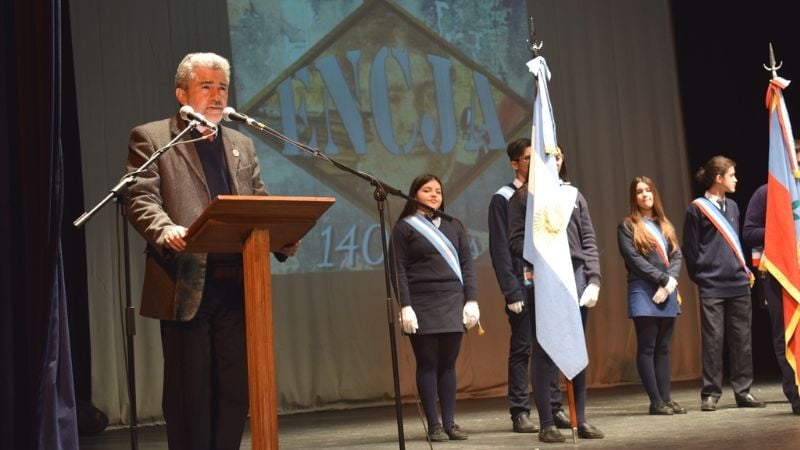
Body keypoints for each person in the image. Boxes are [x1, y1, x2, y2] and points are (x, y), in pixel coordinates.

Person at [126, 52, 299, 450]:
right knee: (191, 395)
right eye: (207, 86)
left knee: (235, 390)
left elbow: (259, 202)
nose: (217, 95)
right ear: (181, 93)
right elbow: (140, 198)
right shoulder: (152, 138)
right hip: (186, 281)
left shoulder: (241, 143)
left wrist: (281, 237)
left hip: (239, 286)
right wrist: (164, 228)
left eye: (222, 87)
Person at [508, 148, 604, 443]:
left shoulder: (574, 195)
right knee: (544, 351)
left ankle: (581, 419)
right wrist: (544, 259)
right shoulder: (524, 198)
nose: (555, 159)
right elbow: (515, 241)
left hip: (576, 277)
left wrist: (594, 279)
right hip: (545, 277)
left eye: (559, 155)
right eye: (548, 155)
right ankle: (547, 422)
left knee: (577, 348)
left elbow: (588, 238)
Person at [487, 138, 570, 433]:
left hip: (548, 284)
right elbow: (499, 249)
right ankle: (520, 411)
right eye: (527, 158)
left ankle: (554, 407)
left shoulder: (545, 197)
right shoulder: (503, 197)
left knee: (550, 347)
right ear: (514, 164)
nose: (534, 164)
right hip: (521, 285)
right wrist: (510, 290)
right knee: (523, 348)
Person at [390, 174, 480, 443]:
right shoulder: (404, 228)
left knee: (448, 365)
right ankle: (434, 425)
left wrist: (471, 300)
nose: (433, 194)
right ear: (414, 194)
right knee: (428, 364)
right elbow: (399, 270)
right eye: (427, 190)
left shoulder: (454, 226)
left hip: (452, 301)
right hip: (422, 302)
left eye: (438, 191)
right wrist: (406, 306)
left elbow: (467, 266)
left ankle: (450, 423)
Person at [682, 155, 765, 412]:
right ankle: (711, 393)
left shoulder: (734, 207)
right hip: (712, 285)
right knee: (713, 340)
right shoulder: (697, 209)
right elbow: (691, 249)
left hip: (738, 283)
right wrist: (703, 276)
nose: (736, 179)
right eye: (732, 175)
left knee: (742, 339)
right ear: (719, 179)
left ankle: (743, 391)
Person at [617, 176, 686, 415]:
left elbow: (676, 255)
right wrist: (663, 279)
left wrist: (669, 283)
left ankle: (666, 398)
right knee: (647, 346)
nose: (645, 194)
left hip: (666, 289)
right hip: (643, 289)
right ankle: (655, 401)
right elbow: (634, 260)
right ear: (633, 197)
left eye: (648, 190)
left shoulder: (665, 224)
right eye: (639, 191)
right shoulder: (627, 226)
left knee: (664, 347)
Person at [742, 141, 800, 415]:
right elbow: (749, 232)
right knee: (784, 336)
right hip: (779, 277)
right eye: (795, 158)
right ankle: (796, 395)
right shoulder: (766, 193)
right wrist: (781, 230)